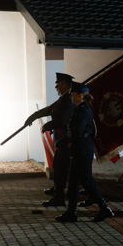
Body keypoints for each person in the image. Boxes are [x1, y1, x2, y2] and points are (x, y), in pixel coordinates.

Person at [55, 83, 114, 222]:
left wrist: (65, 140)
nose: (70, 96)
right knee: (74, 182)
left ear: (80, 95)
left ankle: (105, 209)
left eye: (73, 94)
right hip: (79, 149)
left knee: (87, 181)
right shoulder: (80, 108)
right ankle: (71, 213)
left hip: (82, 149)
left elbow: (77, 131)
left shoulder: (83, 110)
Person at [27, 73, 76, 205]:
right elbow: (50, 110)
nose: (55, 87)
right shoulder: (63, 98)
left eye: (57, 84)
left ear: (65, 84)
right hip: (60, 139)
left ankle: (59, 197)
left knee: (61, 168)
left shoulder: (68, 99)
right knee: (57, 165)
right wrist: (33, 116)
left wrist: (49, 125)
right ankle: (57, 190)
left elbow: (62, 119)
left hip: (66, 140)